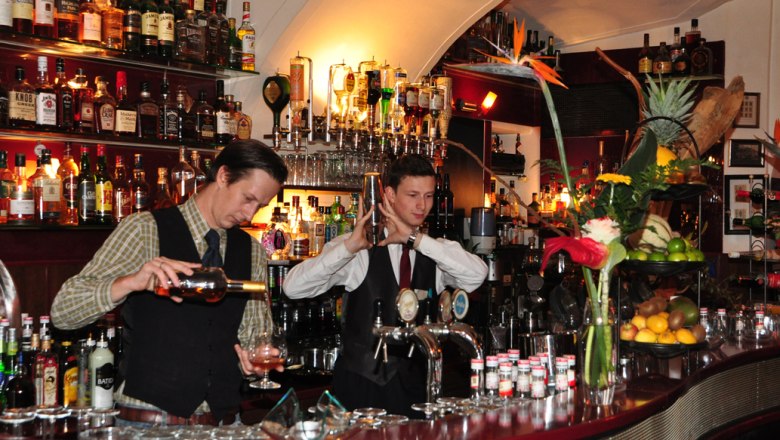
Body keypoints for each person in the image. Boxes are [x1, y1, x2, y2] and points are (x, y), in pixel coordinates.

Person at [50, 140, 287, 426]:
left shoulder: (251, 251)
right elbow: (63, 312)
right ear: (223, 176)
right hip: (150, 424)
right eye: (248, 198)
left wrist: (252, 360)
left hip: (223, 425)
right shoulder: (144, 229)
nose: (250, 214)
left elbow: (253, 336)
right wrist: (130, 282)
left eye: (259, 206)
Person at [283, 154, 487, 417]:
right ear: (389, 194)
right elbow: (293, 288)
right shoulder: (360, 248)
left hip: (416, 388)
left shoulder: (434, 250)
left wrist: (415, 239)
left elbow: (476, 275)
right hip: (362, 388)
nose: (421, 205)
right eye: (413, 195)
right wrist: (348, 247)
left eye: (428, 196)